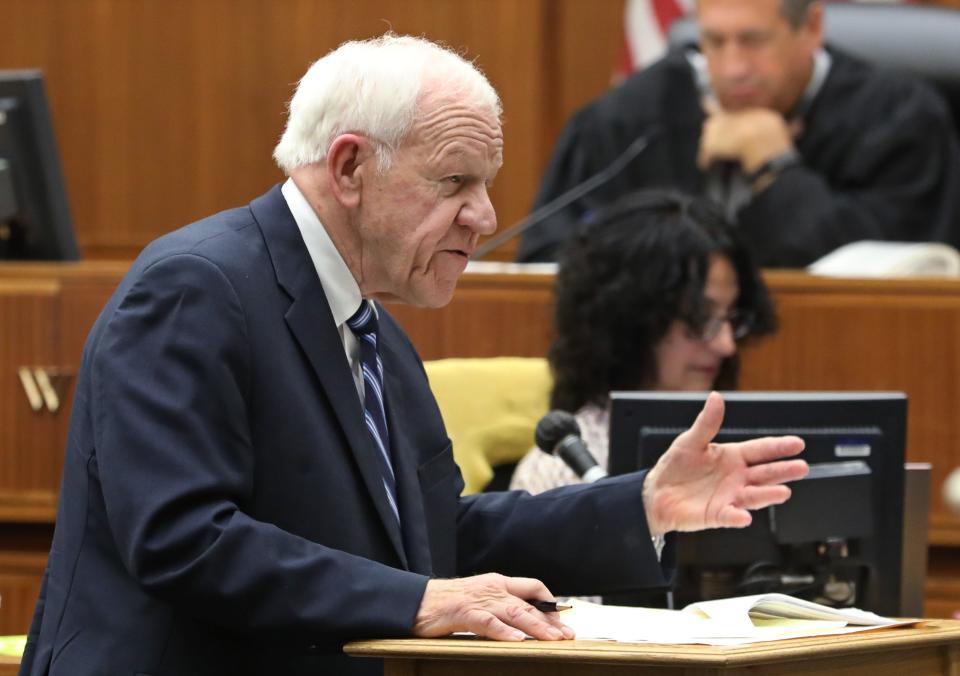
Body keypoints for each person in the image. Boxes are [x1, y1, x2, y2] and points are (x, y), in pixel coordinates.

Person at [19, 35, 807, 676]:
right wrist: (417, 602)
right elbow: (184, 538)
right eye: (455, 182)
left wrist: (641, 505)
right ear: (351, 167)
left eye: (487, 184)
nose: (486, 216)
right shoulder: (197, 289)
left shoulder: (376, 334)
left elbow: (429, 543)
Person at [516, 0, 960, 268]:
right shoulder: (631, 121)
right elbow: (547, 257)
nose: (732, 68)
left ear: (811, 29)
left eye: (753, 40)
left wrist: (775, 169)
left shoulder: (899, 118)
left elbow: (898, 279)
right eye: (713, 41)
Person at [511, 189, 776, 495]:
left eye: (731, 317)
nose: (726, 345)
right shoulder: (558, 475)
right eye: (700, 318)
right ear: (633, 317)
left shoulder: (744, 452)